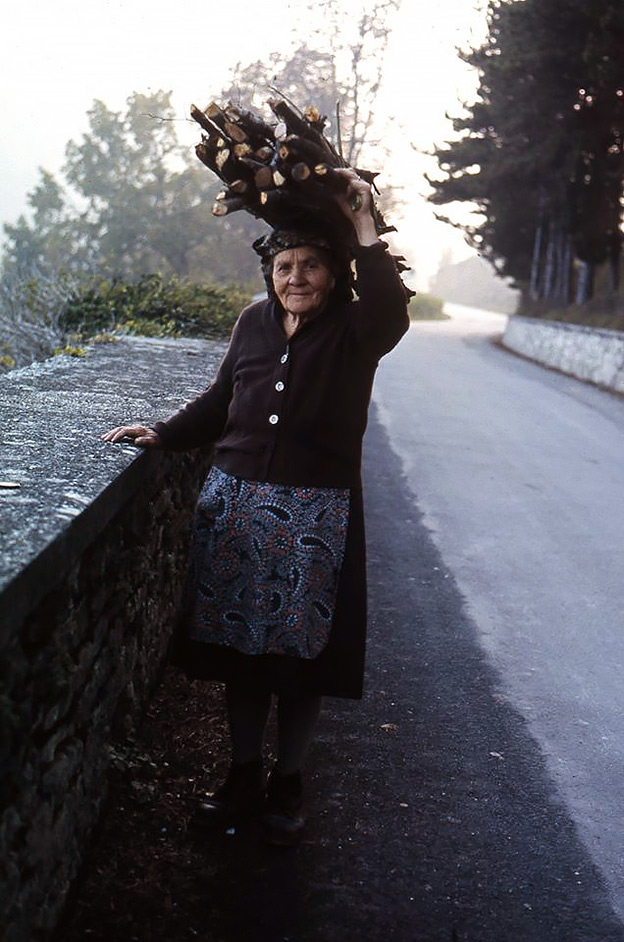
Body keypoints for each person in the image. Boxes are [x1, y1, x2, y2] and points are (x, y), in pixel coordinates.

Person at [102, 168, 410, 846]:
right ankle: (243, 773)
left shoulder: (358, 331)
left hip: (314, 518)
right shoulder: (253, 323)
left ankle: (288, 780)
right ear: (269, 273)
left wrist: (361, 222)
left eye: (309, 266)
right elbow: (221, 401)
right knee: (240, 657)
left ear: (333, 272)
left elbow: (391, 306)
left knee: (302, 663)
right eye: (283, 266)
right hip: (236, 508)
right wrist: (165, 432)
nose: (295, 276)